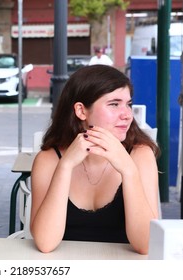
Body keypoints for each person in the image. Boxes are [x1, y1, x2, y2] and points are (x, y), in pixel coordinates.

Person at [30, 65, 160, 255]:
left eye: (128, 104)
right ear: (81, 111)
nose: (127, 115)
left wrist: (128, 170)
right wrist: (65, 166)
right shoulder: (49, 160)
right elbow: (45, 243)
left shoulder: (140, 155)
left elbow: (146, 244)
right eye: (114, 104)